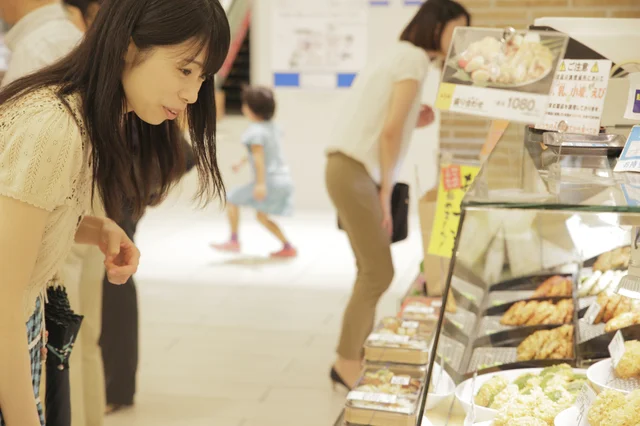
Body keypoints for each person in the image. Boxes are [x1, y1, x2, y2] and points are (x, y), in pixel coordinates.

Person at [0, 1, 230, 426]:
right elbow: (2, 301)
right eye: (185, 69)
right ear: (129, 45)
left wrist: (95, 229)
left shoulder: (83, 117)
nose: (192, 94)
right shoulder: (54, 125)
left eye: (202, 76)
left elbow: (20, 221)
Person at [325, 0, 470, 389]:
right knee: (379, 271)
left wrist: (412, 117)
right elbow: (389, 132)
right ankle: (346, 361)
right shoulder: (413, 60)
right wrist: (386, 191)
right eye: (457, 28)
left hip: (347, 167)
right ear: (436, 25)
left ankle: (355, 353)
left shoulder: (398, 54)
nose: (461, 39)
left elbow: (387, 121)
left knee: (369, 270)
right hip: (356, 172)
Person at [212, 86, 296, 258]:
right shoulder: (272, 128)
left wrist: (260, 184)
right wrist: (241, 163)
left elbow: (258, 158)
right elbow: (260, 152)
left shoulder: (254, 132)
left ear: (250, 109)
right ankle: (288, 246)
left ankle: (234, 241)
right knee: (261, 217)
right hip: (282, 179)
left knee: (232, 198)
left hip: (268, 181)